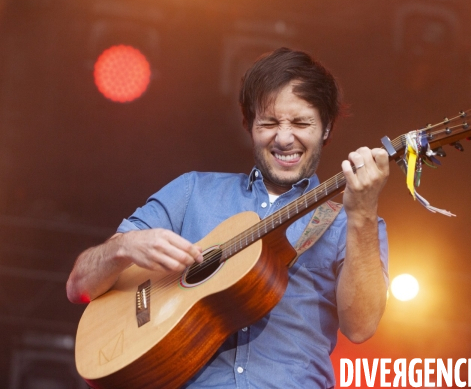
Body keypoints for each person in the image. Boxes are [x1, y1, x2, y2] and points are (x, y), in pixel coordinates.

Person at [66, 47, 390, 388]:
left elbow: (361, 328)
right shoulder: (192, 191)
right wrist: (125, 247)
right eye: (269, 122)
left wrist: (363, 214)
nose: (283, 137)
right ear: (249, 126)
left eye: (301, 123)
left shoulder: (349, 224)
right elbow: (79, 286)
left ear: (325, 129)